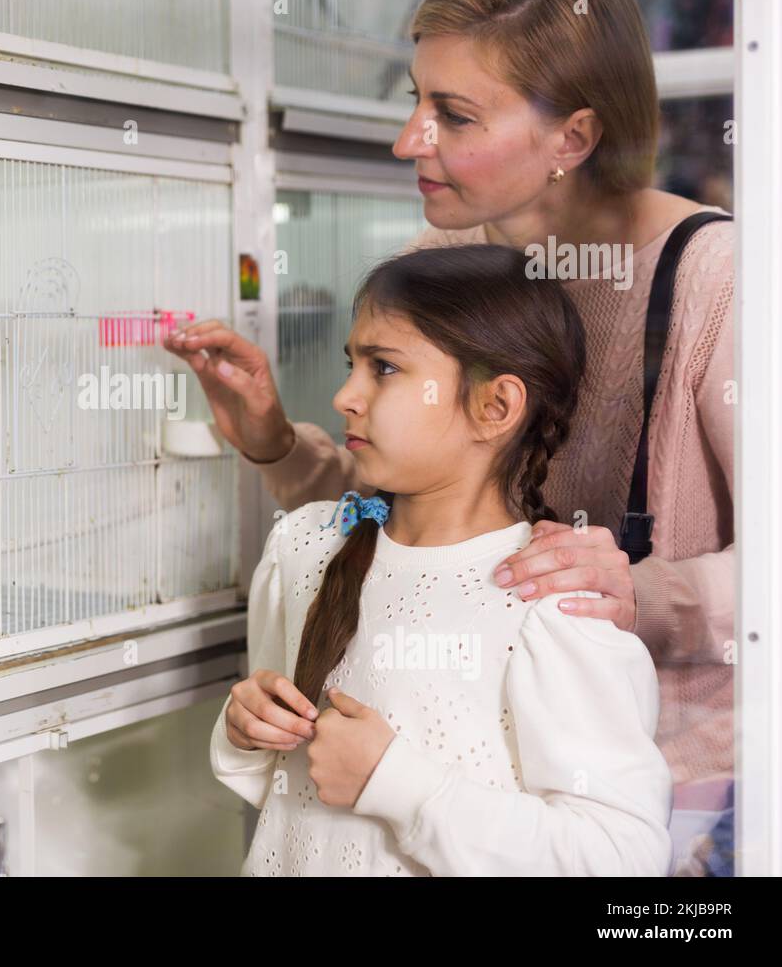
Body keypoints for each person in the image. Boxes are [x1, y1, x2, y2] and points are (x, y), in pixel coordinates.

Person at [170, 0, 734, 873]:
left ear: (574, 139)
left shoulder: (720, 279)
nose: (408, 141)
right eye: (414, 103)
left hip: (690, 811)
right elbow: (431, 498)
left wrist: (640, 593)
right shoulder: (469, 249)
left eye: (453, 115)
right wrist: (275, 445)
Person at [210, 244, 671, 876]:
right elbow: (281, 781)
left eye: (385, 368)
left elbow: (621, 859)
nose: (345, 394)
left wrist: (399, 784)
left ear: (496, 407)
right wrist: (244, 727)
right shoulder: (304, 545)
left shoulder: (552, 601)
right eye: (353, 363)